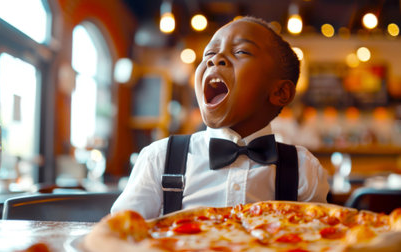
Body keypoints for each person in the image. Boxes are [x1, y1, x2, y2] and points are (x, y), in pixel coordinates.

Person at [111, 16, 330, 219]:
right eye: (209, 54)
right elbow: (119, 237)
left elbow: (317, 240)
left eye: (241, 52)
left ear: (280, 92)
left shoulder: (303, 169)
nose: (216, 60)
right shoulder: (159, 159)